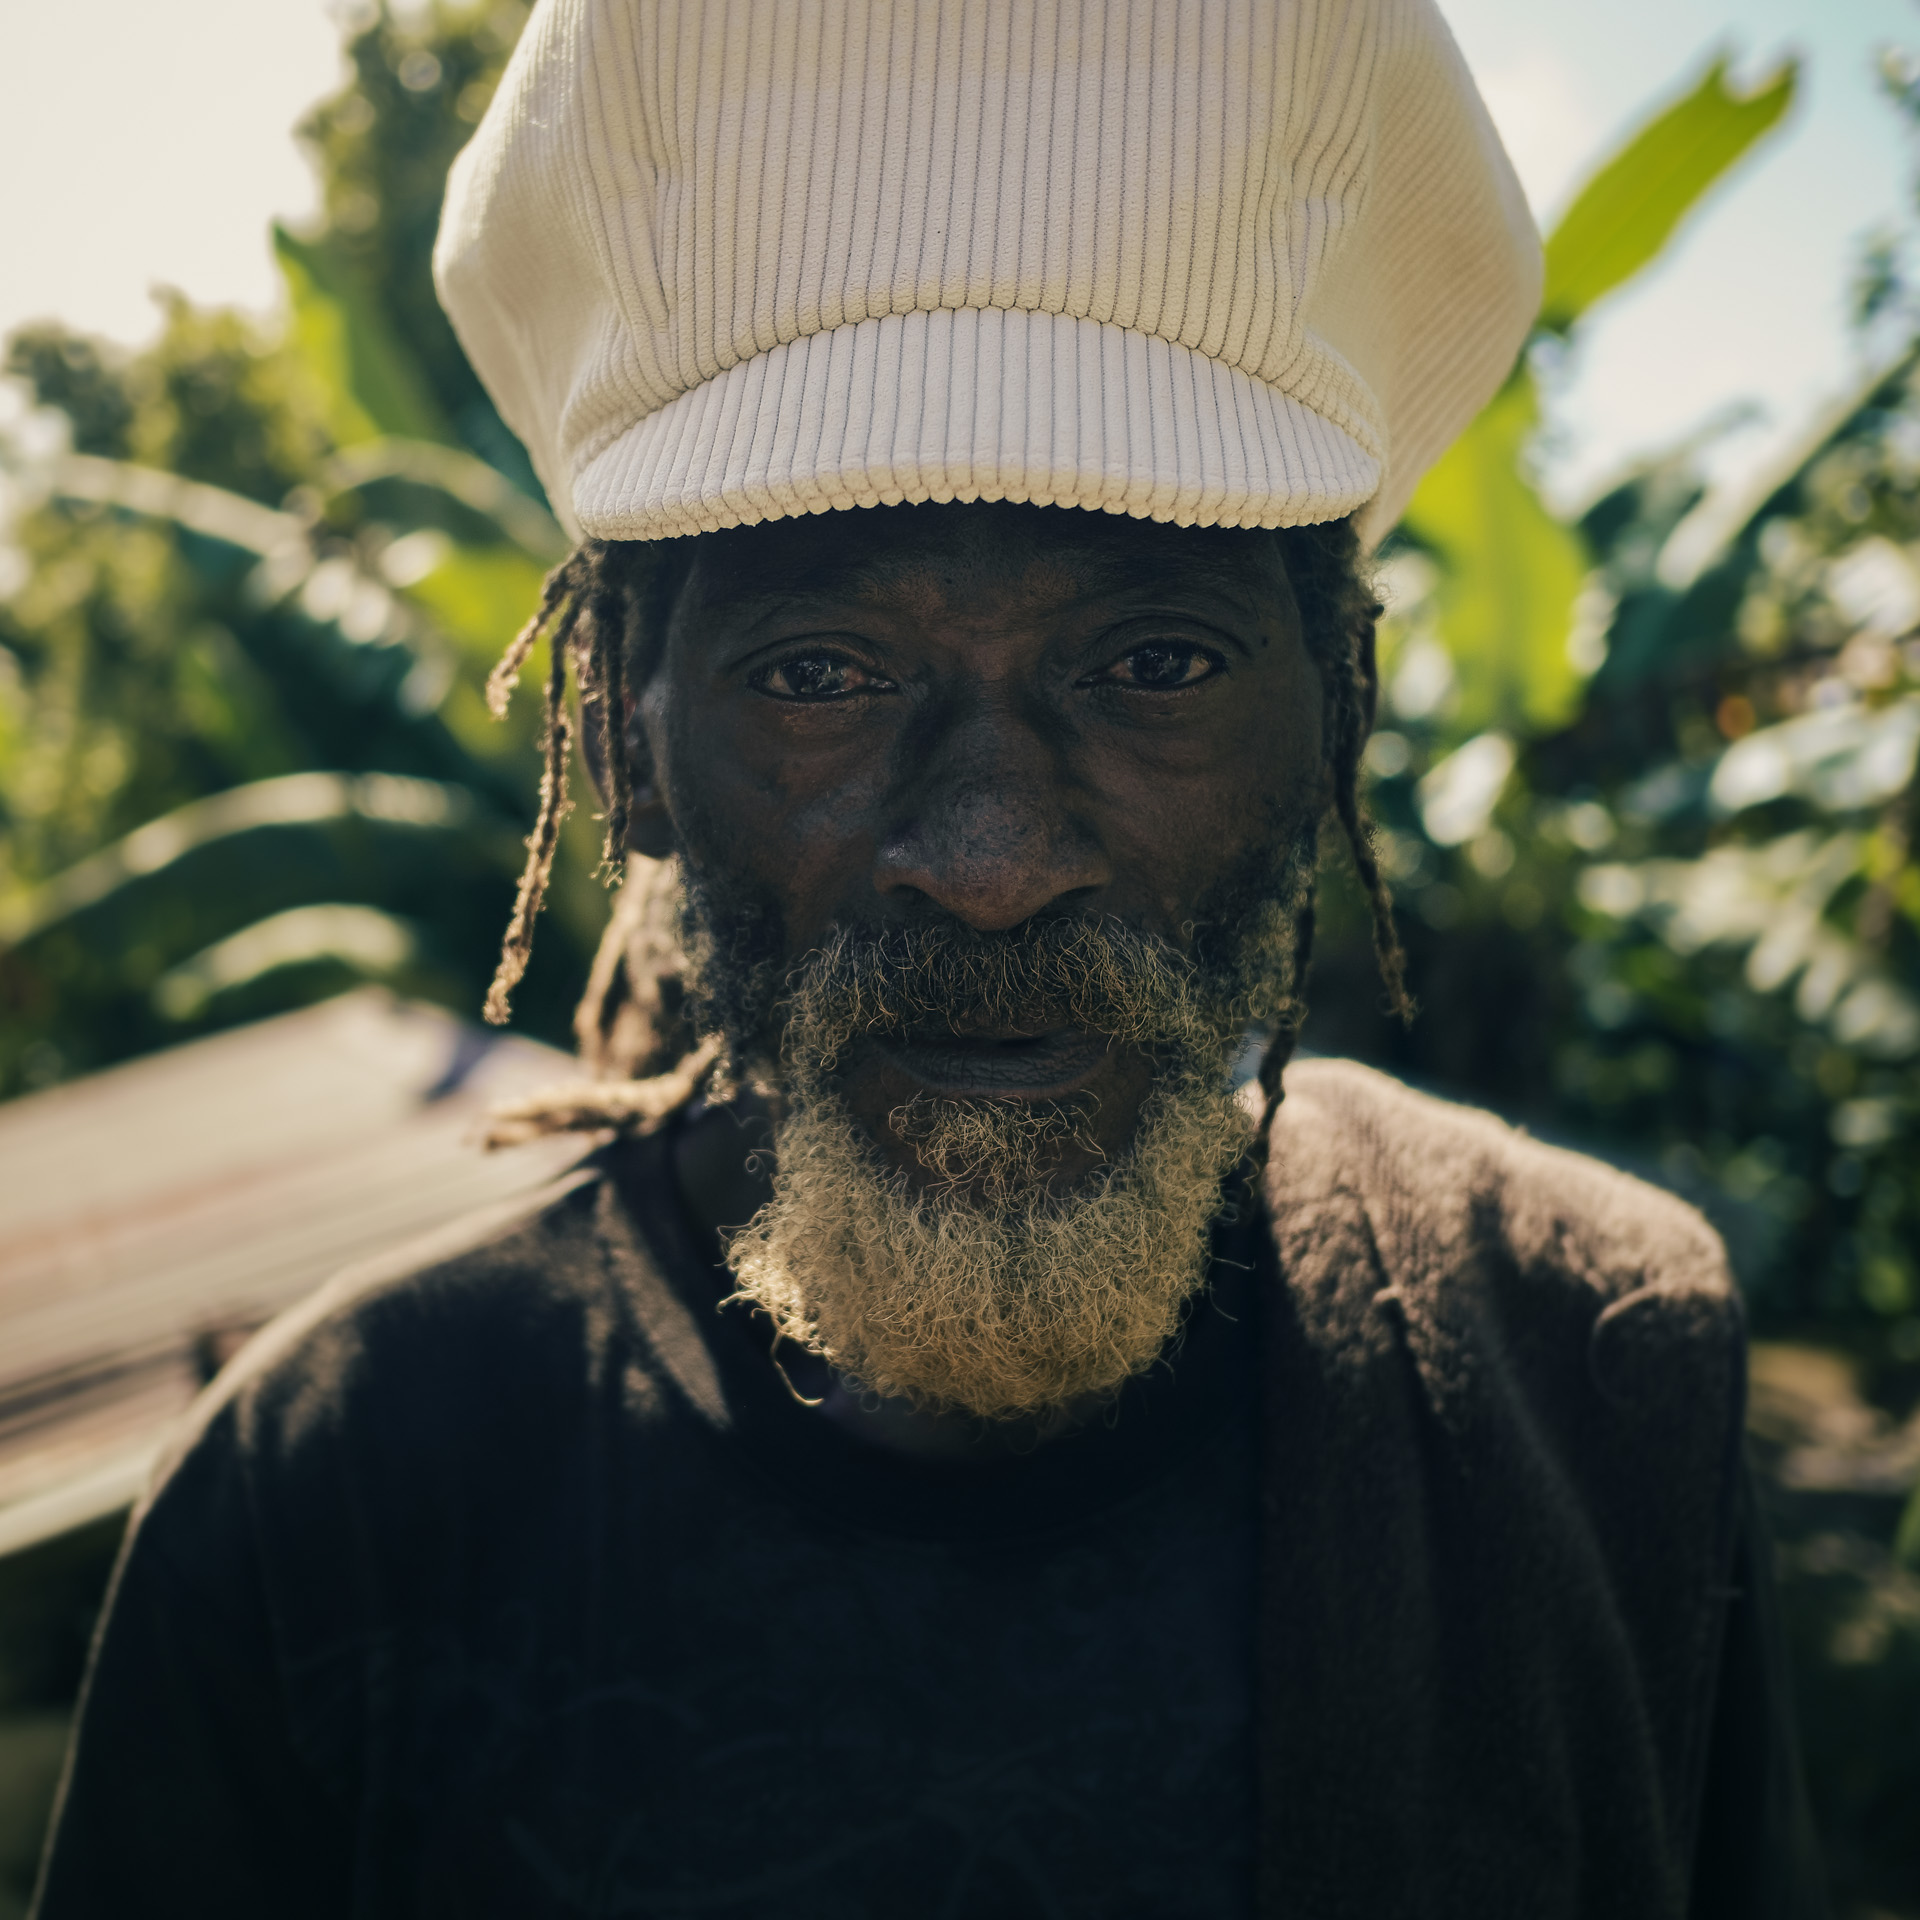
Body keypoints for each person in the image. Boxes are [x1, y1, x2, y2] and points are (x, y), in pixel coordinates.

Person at [33, 2, 1824, 1915]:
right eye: (822, 674)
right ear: (627, 744)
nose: (989, 861)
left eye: (1154, 665)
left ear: (1339, 718)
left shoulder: (1597, 1364)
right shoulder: (325, 1512)